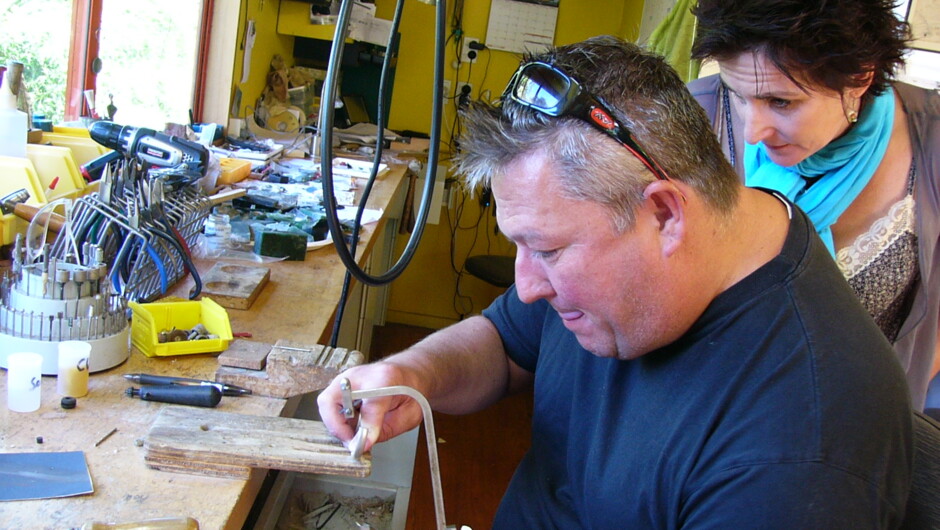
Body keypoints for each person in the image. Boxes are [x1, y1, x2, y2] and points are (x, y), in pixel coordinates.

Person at [318, 37, 913, 527]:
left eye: (547, 249)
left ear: (664, 214)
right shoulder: (670, 238)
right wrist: (413, 374)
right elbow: (503, 345)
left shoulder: (798, 451)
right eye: (519, 245)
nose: (527, 287)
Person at [688, 0, 940, 411]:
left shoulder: (930, 144)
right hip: (702, 418)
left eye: (781, 102)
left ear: (859, 78)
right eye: (737, 94)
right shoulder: (693, 119)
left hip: (855, 429)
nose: (753, 132)